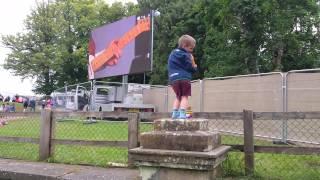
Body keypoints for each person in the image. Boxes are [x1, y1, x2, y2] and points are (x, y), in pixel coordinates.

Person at [167, 34, 197, 119]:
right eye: (191, 48)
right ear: (184, 46)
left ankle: (174, 113)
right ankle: (182, 114)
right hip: (184, 79)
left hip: (173, 79)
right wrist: (194, 66)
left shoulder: (172, 53)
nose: (191, 51)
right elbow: (189, 67)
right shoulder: (186, 55)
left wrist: (171, 78)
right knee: (184, 96)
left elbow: (169, 66)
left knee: (178, 96)